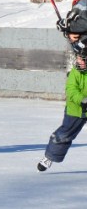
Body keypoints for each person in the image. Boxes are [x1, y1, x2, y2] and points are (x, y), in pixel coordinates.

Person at [38, 32, 87, 171]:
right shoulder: (75, 73)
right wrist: (82, 100)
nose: (79, 62)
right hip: (75, 109)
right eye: (78, 59)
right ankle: (50, 157)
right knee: (64, 134)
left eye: (83, 59)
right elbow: (71, 90)